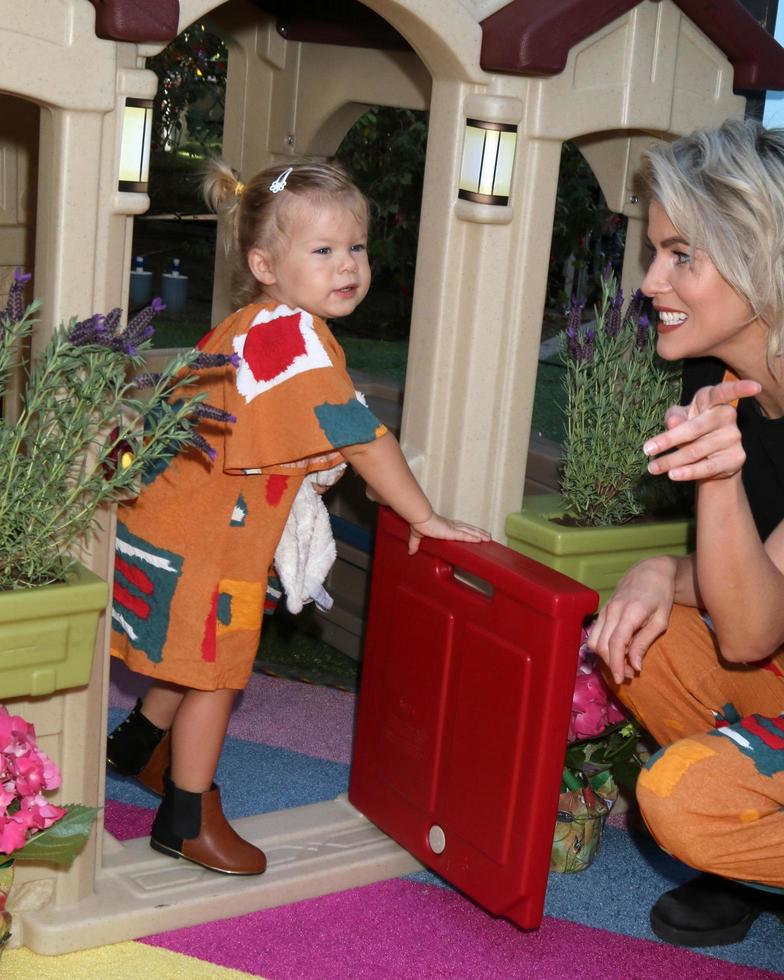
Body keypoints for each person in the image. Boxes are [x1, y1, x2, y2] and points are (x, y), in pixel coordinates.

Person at [106, 160, 490, 876]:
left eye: (356, 248)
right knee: (218, 672)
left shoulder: (257, 319)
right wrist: (423, 515)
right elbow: (359, 434)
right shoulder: (298, 340)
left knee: (192, 649)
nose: (347, 266)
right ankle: (185, 816)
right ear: (266, 264)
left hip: (174, 522)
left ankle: (137, 742)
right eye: (323, 251)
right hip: (211, 541)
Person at [587, 118, 784, 947]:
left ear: (757, 254)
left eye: (681, 256)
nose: (649, 283)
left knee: (680, 799)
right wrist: (660, 571)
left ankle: (749, 837)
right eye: (654, 252)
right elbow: (762, 583)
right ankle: (754, 858)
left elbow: (752, 631)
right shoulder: (721, 374)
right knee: (645, 635)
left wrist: (717, 478)